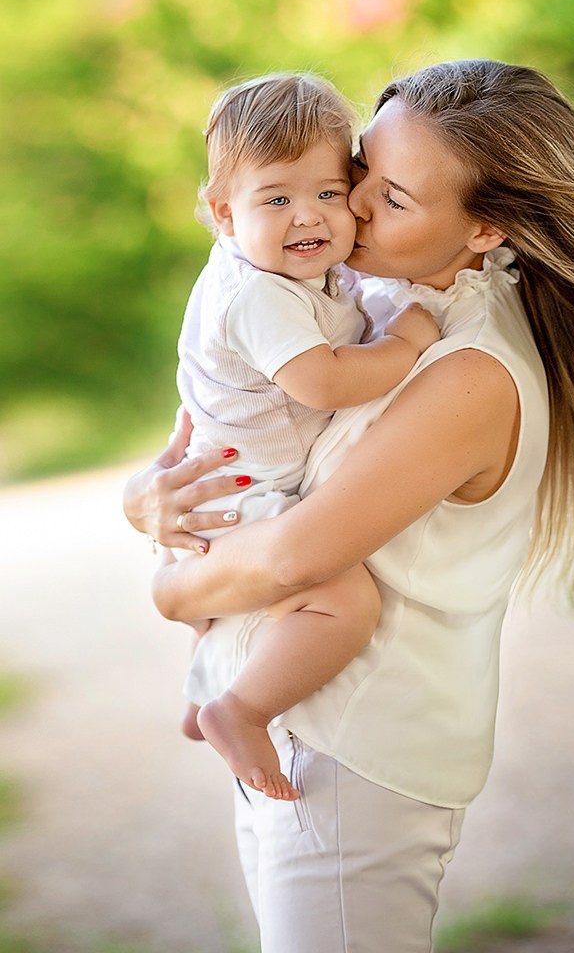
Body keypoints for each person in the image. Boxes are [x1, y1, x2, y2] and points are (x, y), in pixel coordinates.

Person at [124, 59, 574, 953]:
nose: (350, 208)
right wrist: (148, 498)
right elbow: (239, 416)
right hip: (306, 724)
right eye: (361, 170)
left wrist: (172, 591)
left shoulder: (468, 371)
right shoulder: (386, 292)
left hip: (353, 756)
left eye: (390, 198)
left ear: (484, 228)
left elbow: (294, 559)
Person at [169, 72, 439, 801]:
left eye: (326, 192)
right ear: (225, 215)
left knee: (226, 610)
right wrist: (406, 348)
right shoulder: (257, 293)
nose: (306, 218)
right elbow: (322, 381)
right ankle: (241, 709)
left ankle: (204, 690)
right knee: (344, 603)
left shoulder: (289, 269)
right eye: (276, 199)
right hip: (239, 493)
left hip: (224, 478)